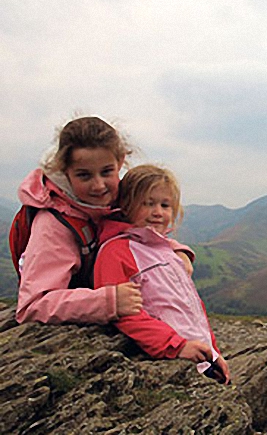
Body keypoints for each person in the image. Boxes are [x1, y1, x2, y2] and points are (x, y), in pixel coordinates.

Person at [16, 116, 194, 324]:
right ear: (65, 172)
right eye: (84, 175)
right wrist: (108, 302)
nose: (99, 185)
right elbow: (31, 306)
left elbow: (136, 230)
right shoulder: (54, 224)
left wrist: (175, 249)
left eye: (107, 171)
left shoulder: (117, 198)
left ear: (120, 162)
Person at [93, 164, 230, 384]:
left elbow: (192, 306)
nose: (158, 212)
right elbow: (125, 313)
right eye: (148, 204)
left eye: (165, 205)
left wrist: (213, 352)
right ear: (127, 205)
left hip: (198, 358)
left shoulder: (168, 250)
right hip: (169, 360)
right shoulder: (115, 252)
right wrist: (176, 346)